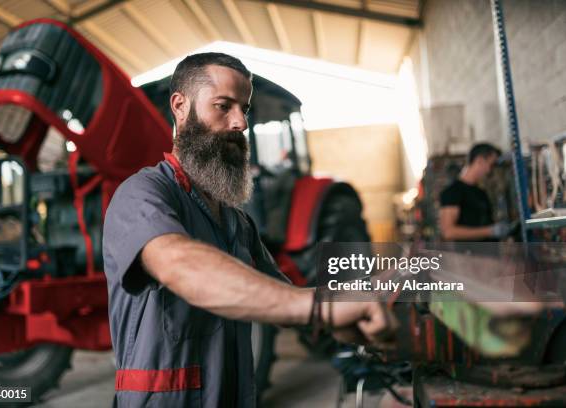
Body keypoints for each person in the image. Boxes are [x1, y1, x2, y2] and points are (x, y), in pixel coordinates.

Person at [102, 52, 395, 407]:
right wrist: (319, 307)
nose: (240, 122)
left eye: (244, 108)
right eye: (223, 106)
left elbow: (279, 293)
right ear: (180, 107)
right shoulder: (142, 193)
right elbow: (179, 264)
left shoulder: (236, 221)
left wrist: (358, 303)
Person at [439, 143, 510, 241]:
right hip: (468, 254)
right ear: (479, 161)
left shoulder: (481, 193)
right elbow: (449, 232)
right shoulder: (453, 193)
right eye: (491, 165)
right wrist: (489, 231)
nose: (491, 171)